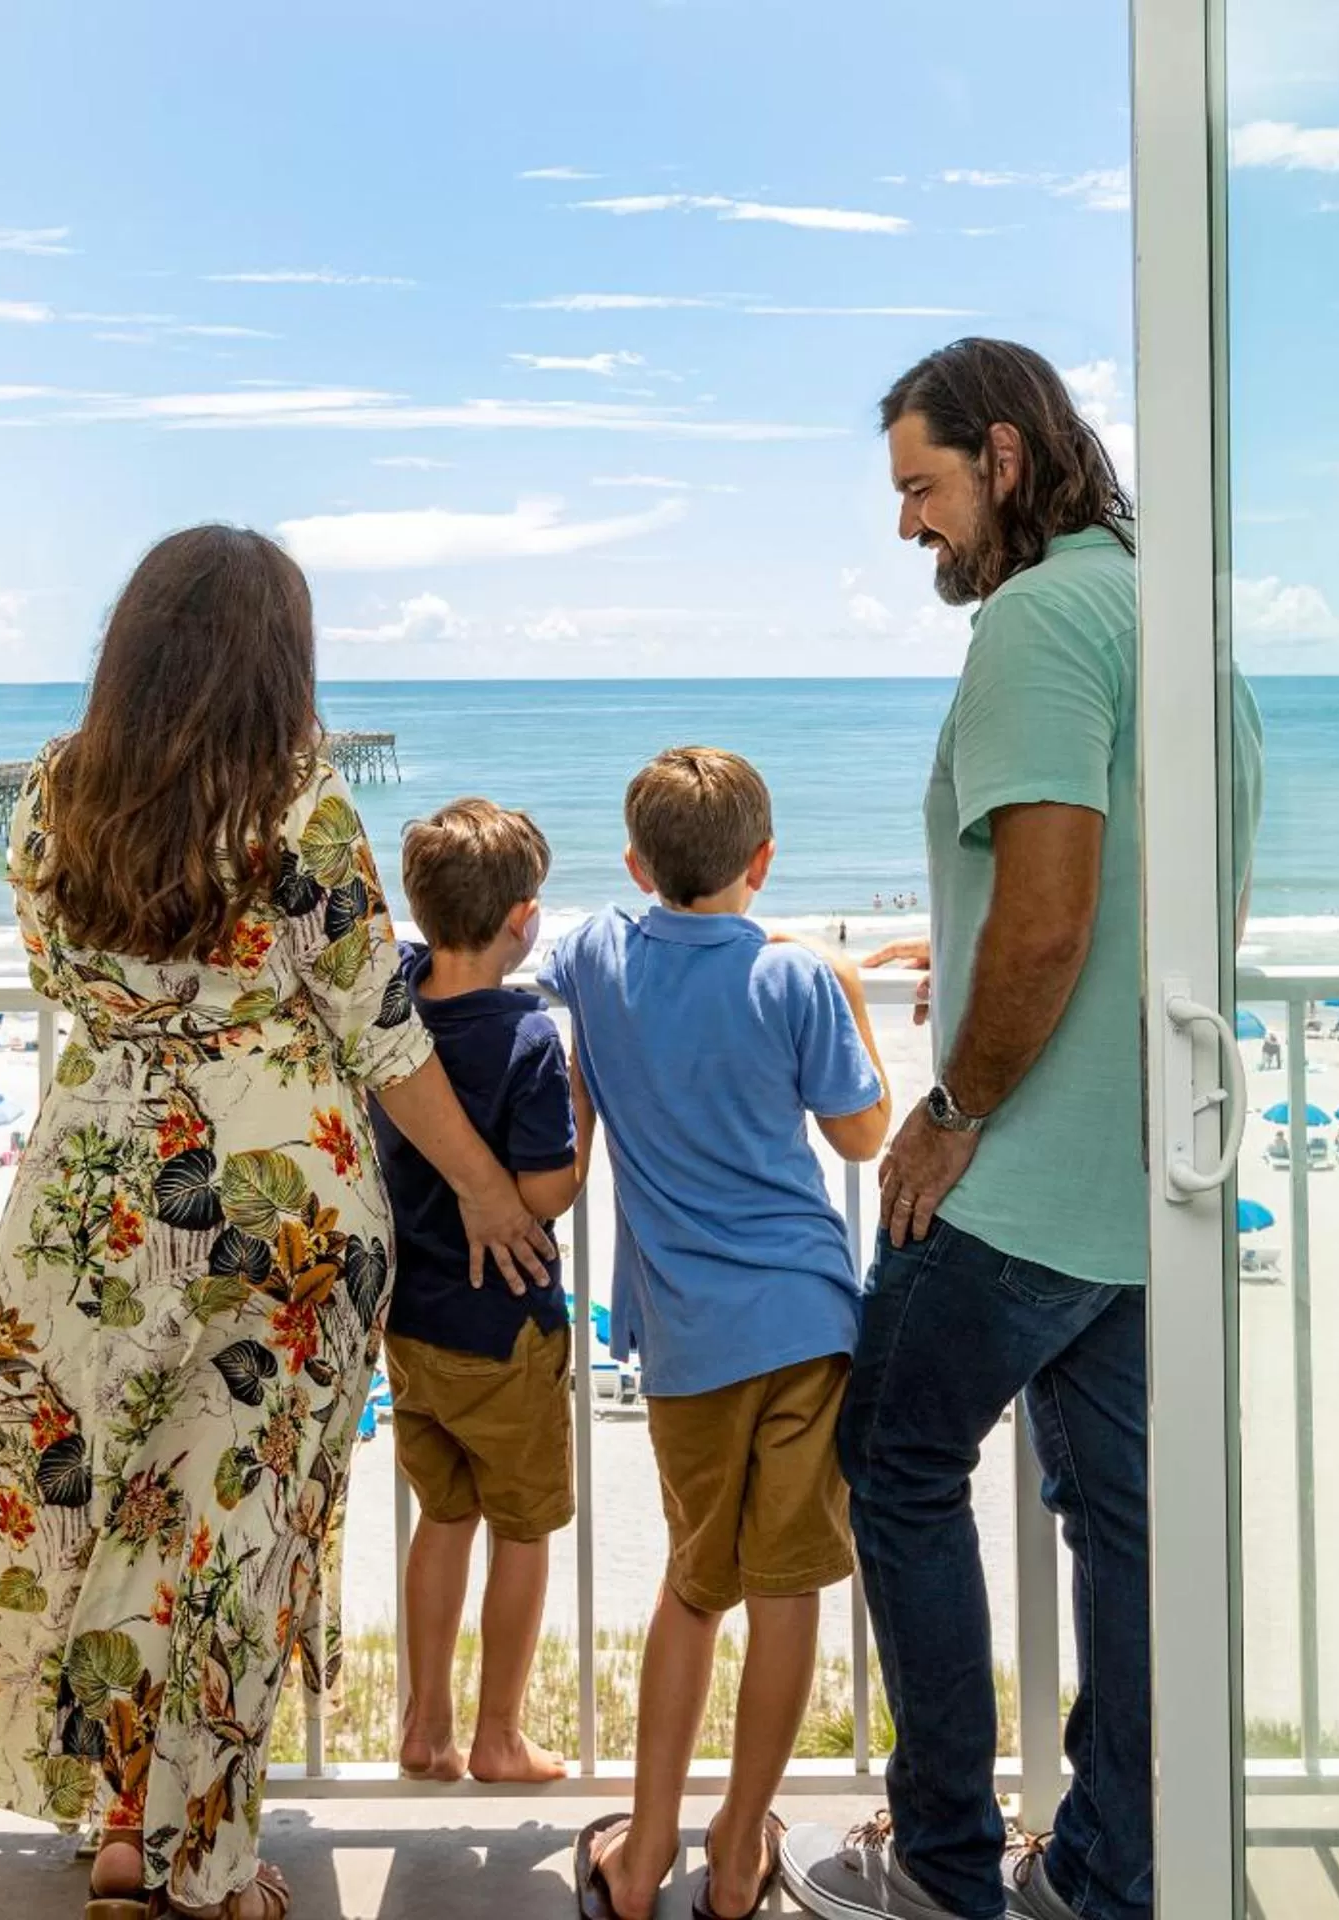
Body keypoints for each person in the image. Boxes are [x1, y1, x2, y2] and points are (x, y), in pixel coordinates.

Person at [0, 527, 554, 1920]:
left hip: (90, 1211)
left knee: (99, 1516)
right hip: (281, 1223)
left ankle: (118, 1838)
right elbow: (383, 1037)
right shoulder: (302, 809)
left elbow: (58, 968)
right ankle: (199, 1861)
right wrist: (486, 1186)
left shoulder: (51, 795)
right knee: (221, 1538)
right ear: (282, 656)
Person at [781, 339, 1262, 1920]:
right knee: (1123, 1532)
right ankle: (1109, 1875)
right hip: (1143, 1183)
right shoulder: (1165, 605)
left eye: (921, 487)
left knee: (892, 1464)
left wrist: (948, 1113)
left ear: (1001, 456)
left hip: (1020, 1181)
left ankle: (941, 1869)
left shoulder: (1043, 621)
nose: (908, 526)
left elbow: (1048, 917)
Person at [550, 748, 893, 1920]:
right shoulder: (796, 984)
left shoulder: (596, 955)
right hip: (806, 1322)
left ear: (637, 865)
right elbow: (859, 1136)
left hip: (687, 1345)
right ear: (765, 860)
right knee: (790, 1588)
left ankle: (642, 1859)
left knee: (695, 1591)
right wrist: (843, 980)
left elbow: (504, 950)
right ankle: (739, 1854)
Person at [369, 799, 589, 1788]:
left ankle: (424, 1724)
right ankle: (499, 1733)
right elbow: (542, 1194)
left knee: (441, 1522)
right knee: (526, 1531)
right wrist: (587, 1112)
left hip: (410, 1327)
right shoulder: (530, 1041)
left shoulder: (393, 1004)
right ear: (524, 917)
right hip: (506, 1335)